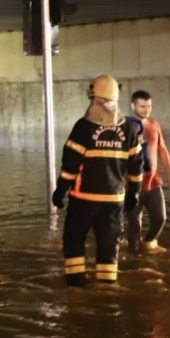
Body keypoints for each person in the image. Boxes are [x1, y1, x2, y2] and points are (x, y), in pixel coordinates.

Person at [51, 74, 144, 287]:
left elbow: (71, 165)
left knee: (74, 240)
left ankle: (76, 287)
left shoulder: (84, 127)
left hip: (84, 199)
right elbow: (137, 165)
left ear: (96, 99)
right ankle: (107, 292)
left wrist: (60, 191)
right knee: (109, 245)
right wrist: (134, 193)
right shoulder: (129, 129)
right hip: (114, 201)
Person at [125, 90, 170, 255]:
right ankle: (133, 257)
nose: (146, 110)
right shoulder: (124, 127)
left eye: (149, 106)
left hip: (153, 182)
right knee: (134, 224)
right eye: (142, 106)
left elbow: (162, 149)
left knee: (160, 218)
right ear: (133, 106)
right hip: (131, 184)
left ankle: (147, 244)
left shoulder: (154, 125)